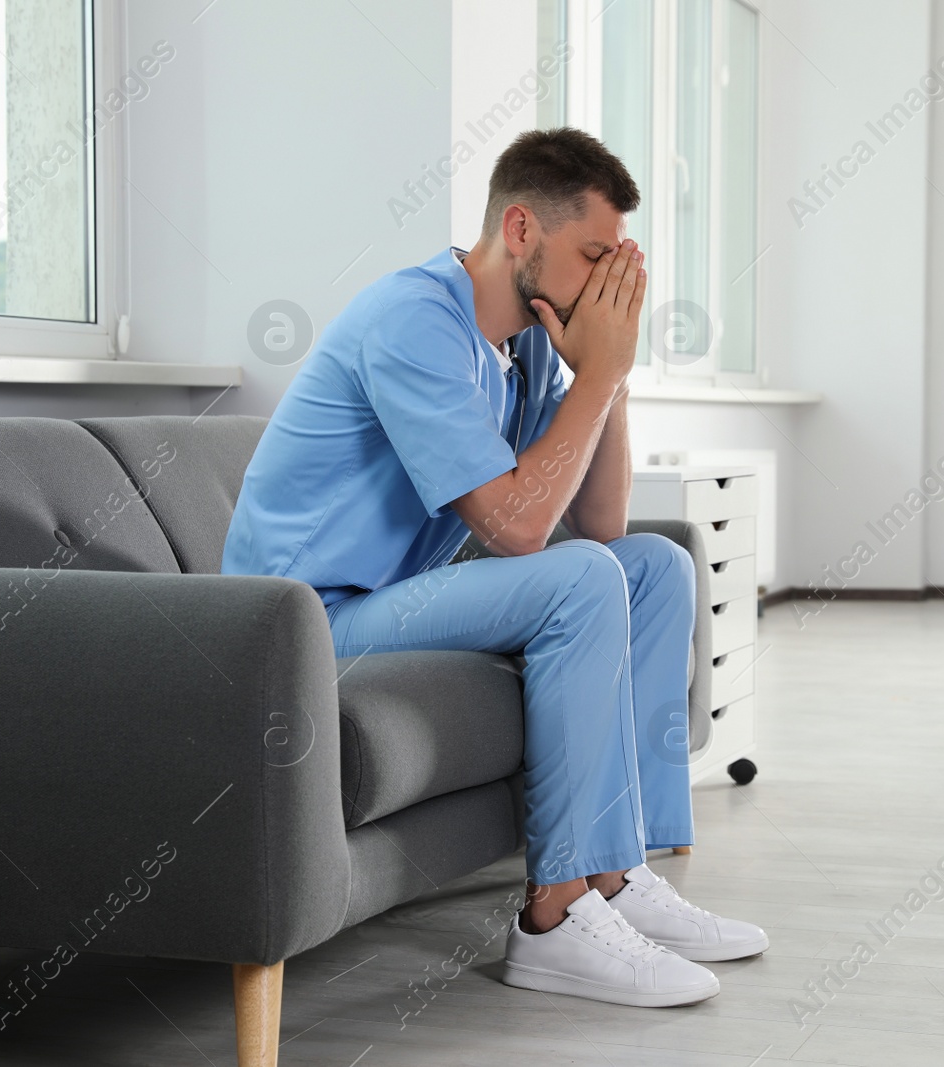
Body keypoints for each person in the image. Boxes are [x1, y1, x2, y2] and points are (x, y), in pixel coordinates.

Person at [222, 127, 767, 1007]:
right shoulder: (414, 319)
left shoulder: (527, 350)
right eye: (593, 255)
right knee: (584, 577)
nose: (603, 283)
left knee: (653, 566)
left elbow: (600, 521)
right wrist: (602, 374)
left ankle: (616, 878)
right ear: (521, 229)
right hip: (299, 617)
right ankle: (554, 920)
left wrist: (609, 379)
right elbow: (518, 529)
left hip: (389, 600)